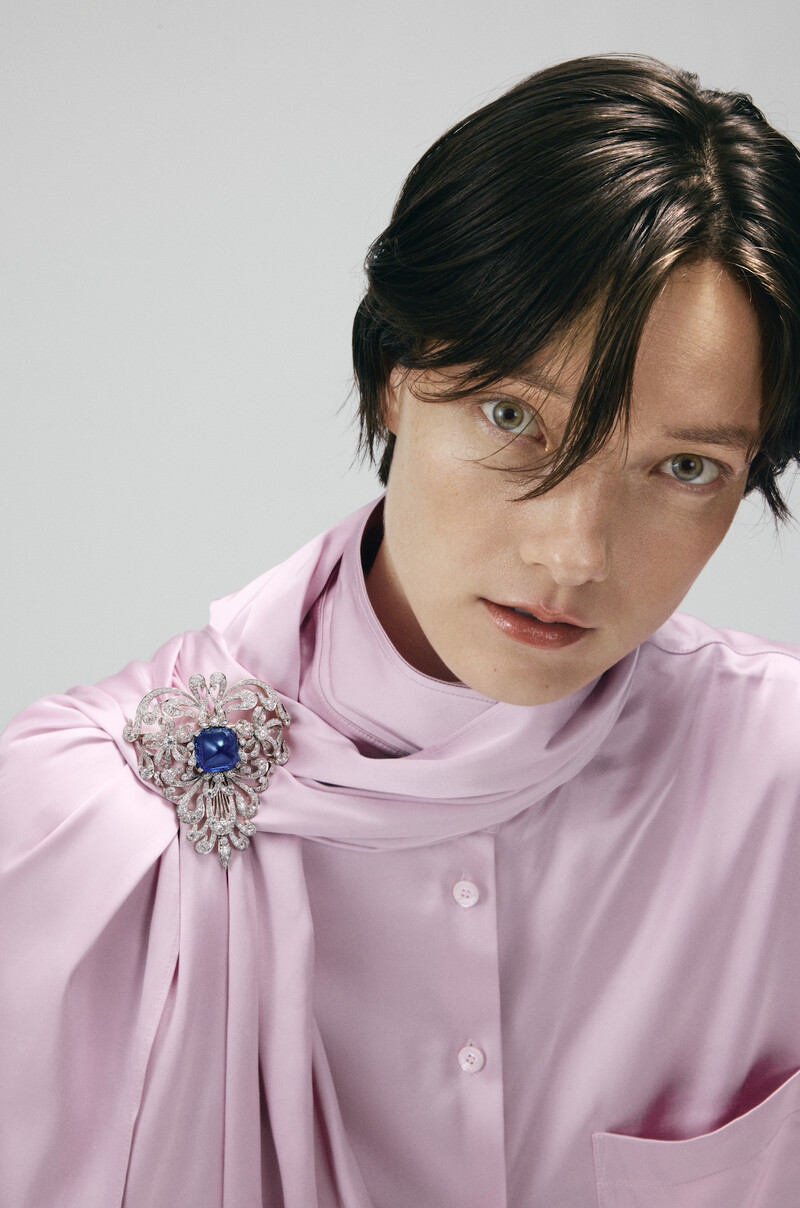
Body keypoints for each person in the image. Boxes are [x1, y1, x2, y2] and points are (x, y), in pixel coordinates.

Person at [2, 51, 800, 1208]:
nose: (573, 553)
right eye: (512, 415)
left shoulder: (781, 786)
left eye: (683, 467)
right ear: (391, 373)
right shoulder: (78, 828)